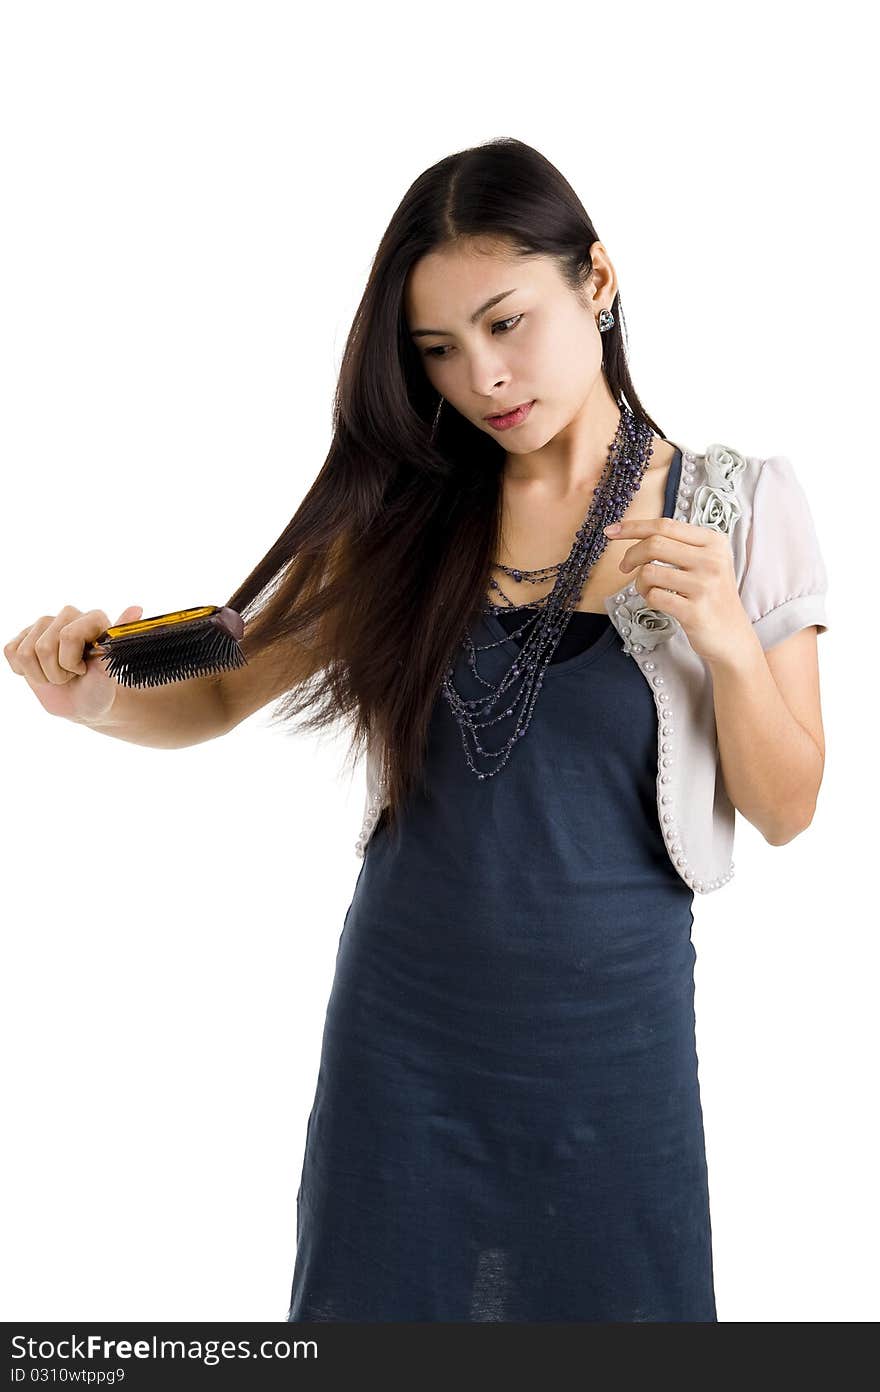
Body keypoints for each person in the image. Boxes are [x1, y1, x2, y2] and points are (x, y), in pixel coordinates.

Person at [5, 138, 829, 1322]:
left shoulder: (736, 508)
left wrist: (730, 644)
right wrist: (91, 703)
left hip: (614, 1048)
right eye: (439, 351)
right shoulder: (403, 518)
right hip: (406, 1039)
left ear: (596, 279)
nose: (482, 378)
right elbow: (226, 689)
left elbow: (789, 806)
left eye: (506, 323)